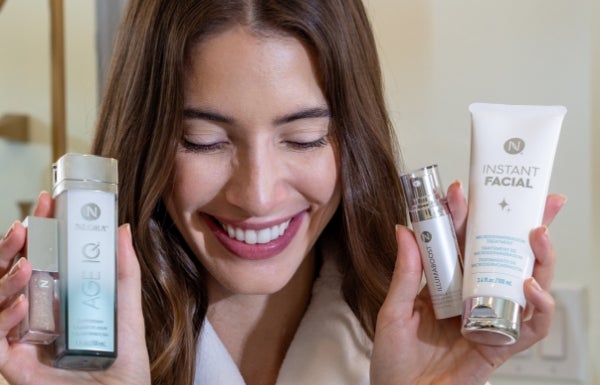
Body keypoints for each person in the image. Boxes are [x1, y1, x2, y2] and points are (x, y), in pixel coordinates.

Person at [0, 0, 565, 384]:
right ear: (148, 140)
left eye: (304, 138)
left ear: (353, 138)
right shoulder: (65, 348)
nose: (259, 195)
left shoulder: (405, 344)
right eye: (203, 141)